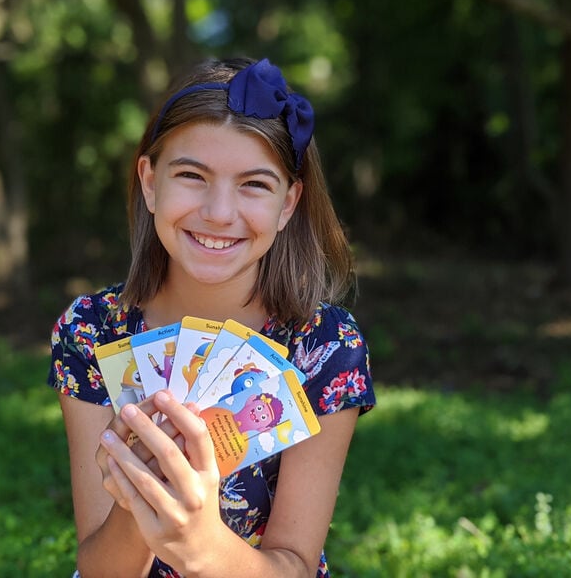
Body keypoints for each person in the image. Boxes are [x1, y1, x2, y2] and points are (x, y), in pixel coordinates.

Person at [48, 56, 375, 578]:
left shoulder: (326, 345)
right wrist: (139, 496)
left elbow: (292, 564)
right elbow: (100, 569)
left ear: (289, 204)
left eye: (254, 185)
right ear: (150, 183)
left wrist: (200, 543)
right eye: (192, 176)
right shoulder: (91, 331)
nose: (220, 213)